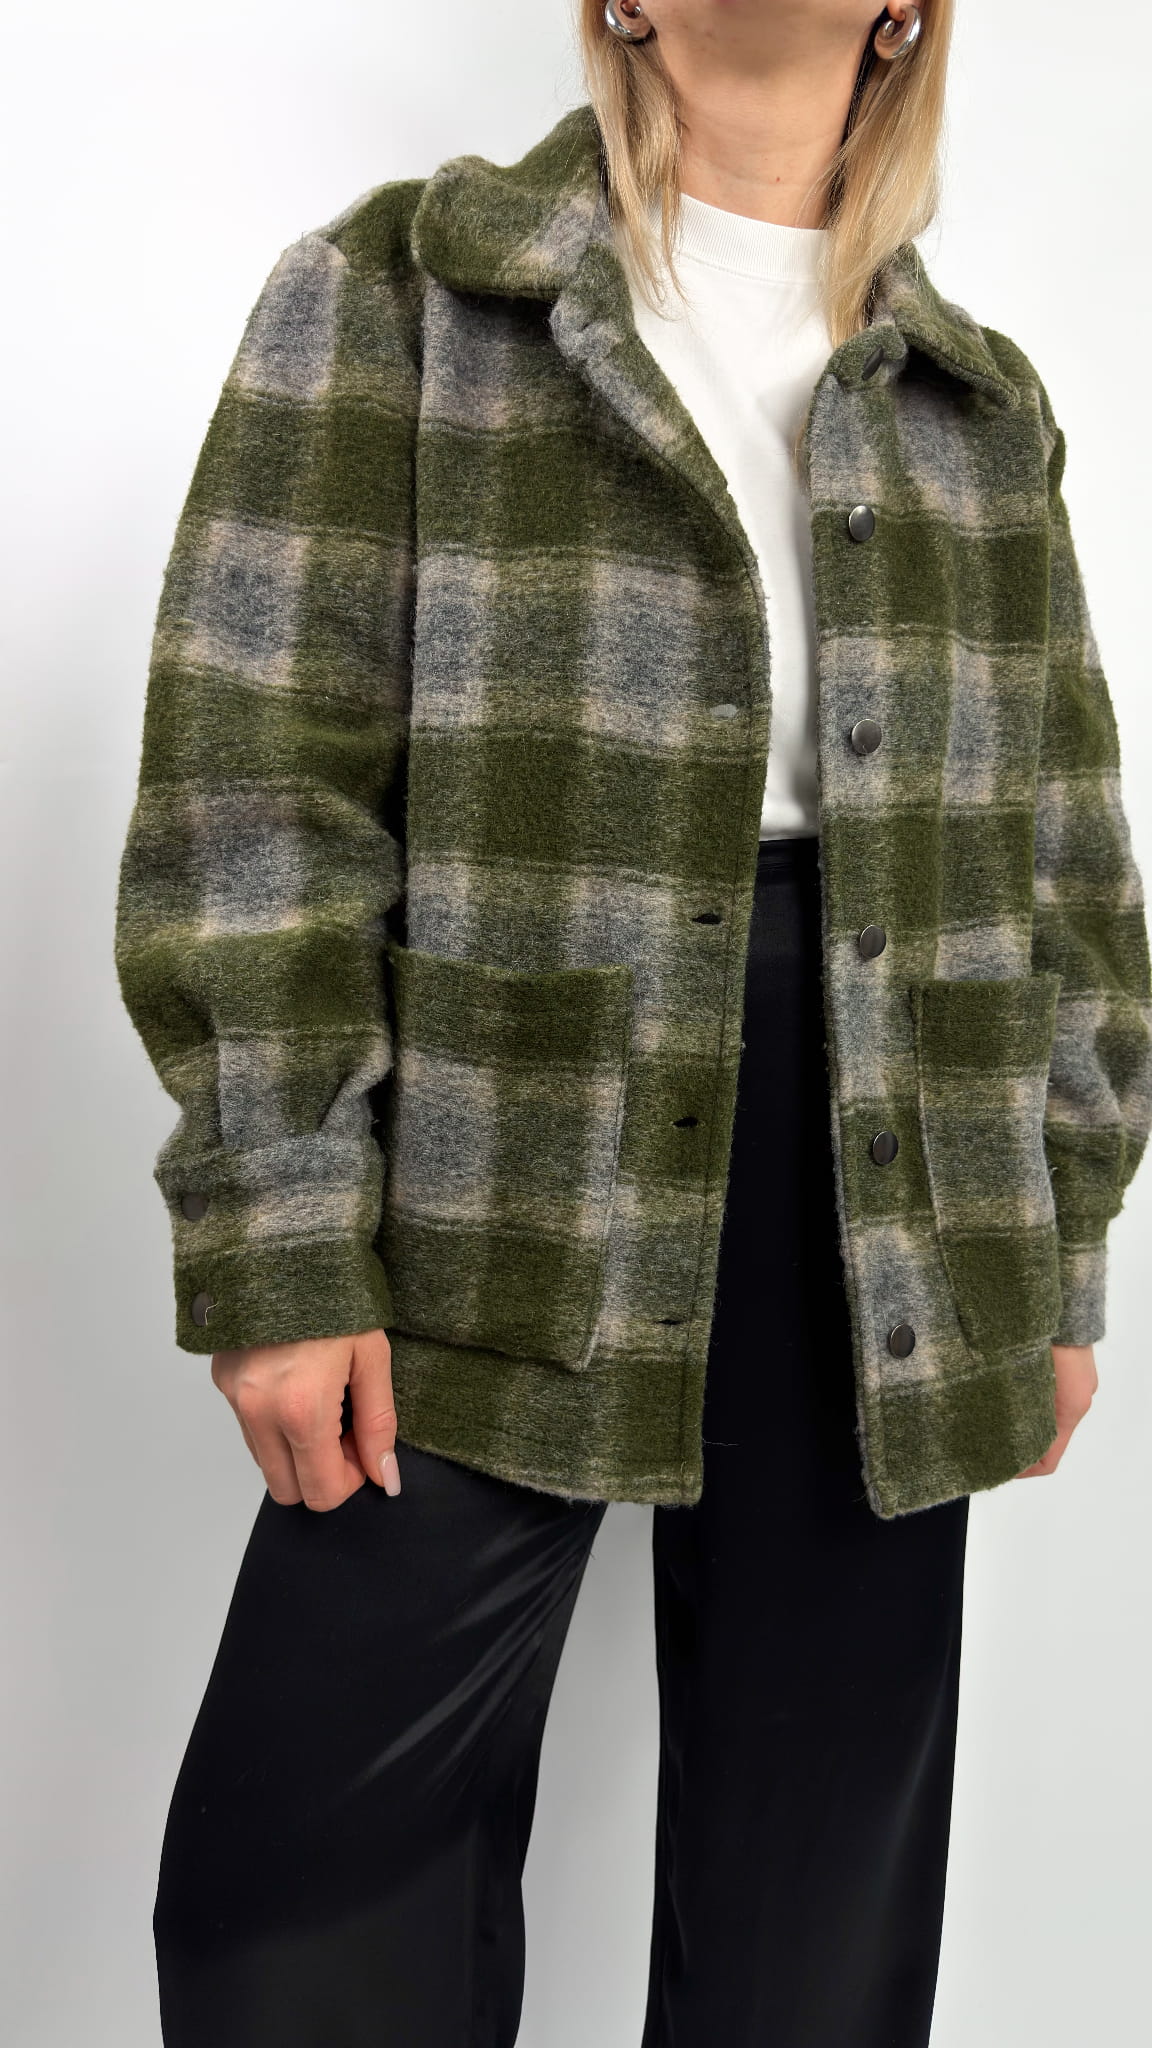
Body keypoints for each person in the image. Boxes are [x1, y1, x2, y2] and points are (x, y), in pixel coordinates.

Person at [114, 3, 1152, 2043]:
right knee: (297, 1897)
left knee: (814, 1917)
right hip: (496, 1155)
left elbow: (1065, 851)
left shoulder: (976, 401)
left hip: (900, 1192)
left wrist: (1053, 1243)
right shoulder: (406, 296)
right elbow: (255, 789)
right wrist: (281, 1228)